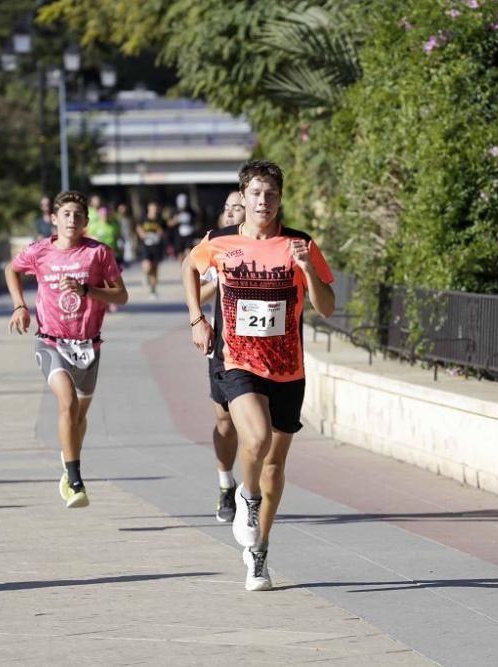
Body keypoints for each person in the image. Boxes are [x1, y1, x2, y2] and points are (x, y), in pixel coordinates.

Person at [183, 160, 336, 591]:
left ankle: (259, 550)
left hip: (288, 367)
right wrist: (197, 319)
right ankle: (246, 499)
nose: (263, 201)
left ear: (280, 198)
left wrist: (307, 270)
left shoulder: (300, 243)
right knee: (255, 439)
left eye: (270, 194)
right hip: (239, 361)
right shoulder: (220, 241)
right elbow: (188, 268)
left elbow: (327, 307)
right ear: (243, 197)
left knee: (274, 465)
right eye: (255, 193)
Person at [6, 190, 129, 509]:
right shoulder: (39, 251)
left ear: (86, 221)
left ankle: (68, 460)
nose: (71, 219)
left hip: (88, 344)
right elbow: (12, 269)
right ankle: (75, 481)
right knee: (67, 402)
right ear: (54, 219)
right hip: (51, 340)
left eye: (77, 215)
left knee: (78, 415)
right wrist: (20, 306)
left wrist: (88, 290)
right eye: (66, 214)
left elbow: (121, 296)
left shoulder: (99, 253)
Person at [184, 191, 246, 524]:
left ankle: (252, 492)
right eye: (227, 208)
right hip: (224, 344)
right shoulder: (217, 245)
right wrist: (223, 278)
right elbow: (196, 284)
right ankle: (226, 482)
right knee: (225, 422)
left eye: (237, 207)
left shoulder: (271, 242)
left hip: (261, 350)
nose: (231, 213)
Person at [136, 201, 165, 299]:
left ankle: (153, 290)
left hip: (157, 247)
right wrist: (142, 234)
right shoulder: (144, 218)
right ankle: (145, 275)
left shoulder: (160, 219)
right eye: (152, 208)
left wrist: (160, 233)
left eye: (155, 208)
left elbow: (164, 231)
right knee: (147, 265)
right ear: (149, 208)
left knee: (155, 270)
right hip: (146, 246)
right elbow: (138, 227)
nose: (154, 210)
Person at [173, 192, 198, 260]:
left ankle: (187, 269)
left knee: (188, 254)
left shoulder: (191, 211)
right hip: (179, 236)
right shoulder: (175, 212)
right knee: (181, 257)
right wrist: (176, 220)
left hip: (189, 236)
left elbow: (196, 222)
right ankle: (183, 269)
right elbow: (170, 223)